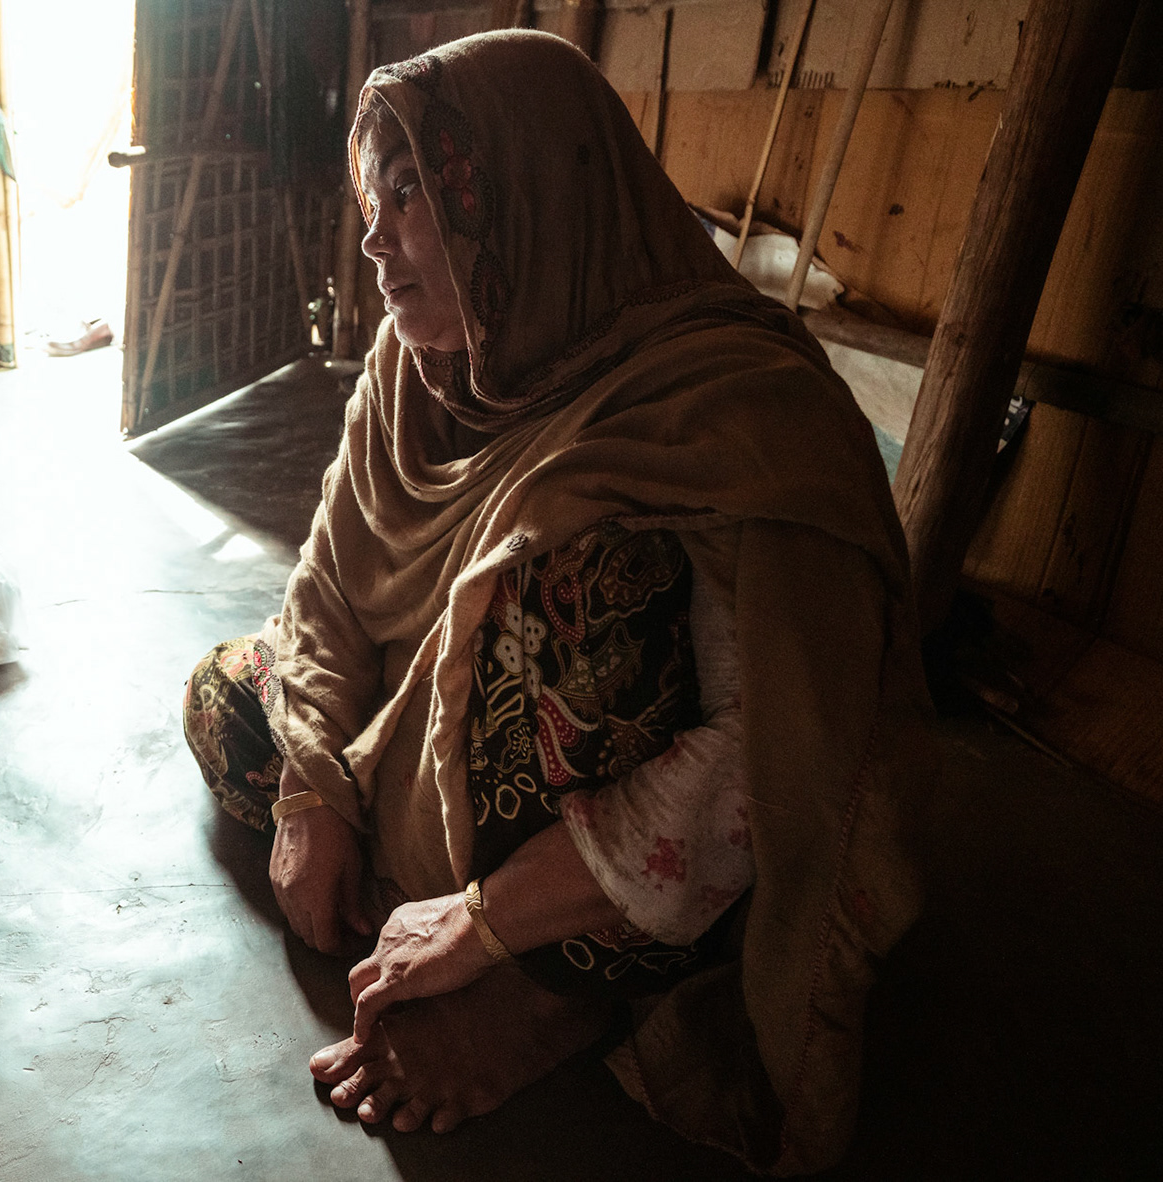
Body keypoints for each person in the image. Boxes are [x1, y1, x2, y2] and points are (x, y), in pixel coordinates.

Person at [180, 30, 933, 1176]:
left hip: (645, 858)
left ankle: (543, 988)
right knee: (229, 695)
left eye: (413, 192)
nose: (374, 237)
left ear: (525, 201)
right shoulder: (415, 367)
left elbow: (760, 765)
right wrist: (313, 792)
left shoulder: (735, 408)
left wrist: (479, 926)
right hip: (435, 746)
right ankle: (423, 893)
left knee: (589, 592)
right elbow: (328, 582)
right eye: (368, 197)